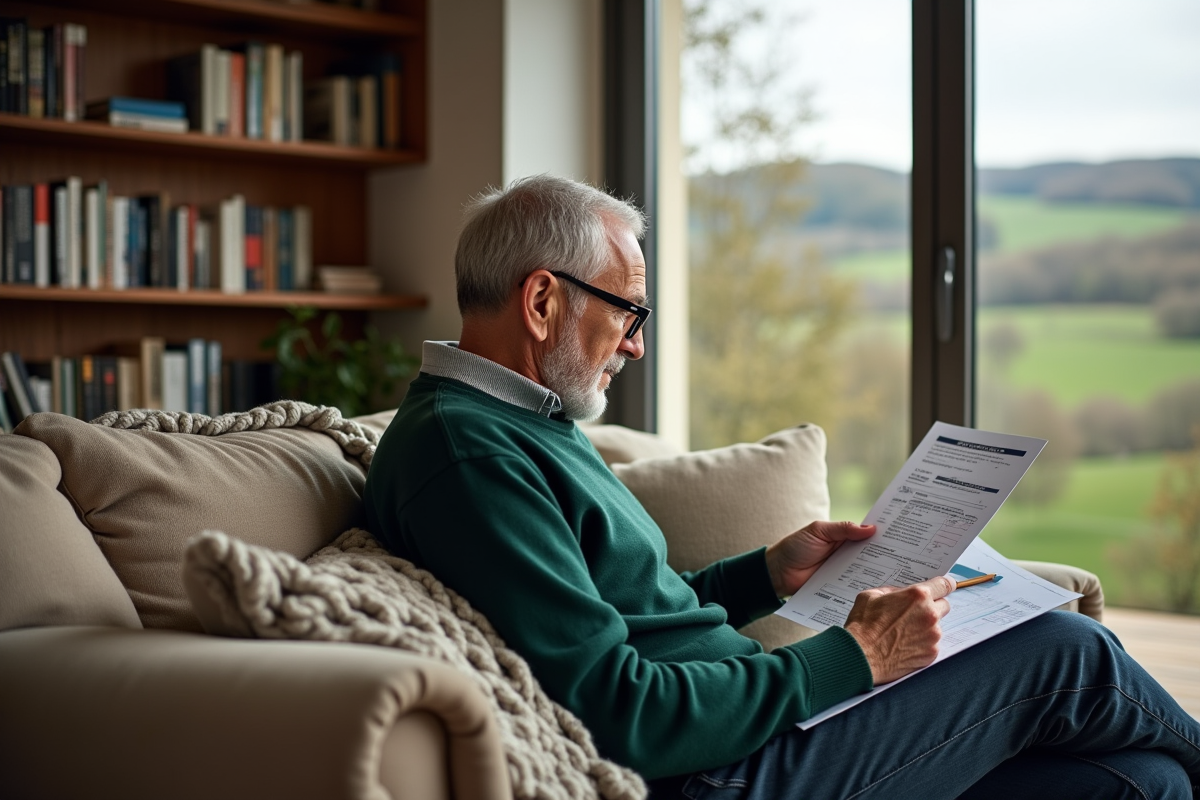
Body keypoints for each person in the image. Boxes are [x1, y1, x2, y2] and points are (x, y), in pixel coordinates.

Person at [363, 175, 1200, 799]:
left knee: (1141, 779)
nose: (636, 346)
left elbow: (624, 614)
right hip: (723, 773)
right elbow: (619, 711)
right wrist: (855, 657)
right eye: (630, 313)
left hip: (750, 733)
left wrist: (766, 572)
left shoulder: (523, 423)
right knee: (1068, 653)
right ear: (544, 300)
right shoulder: (468, 458)